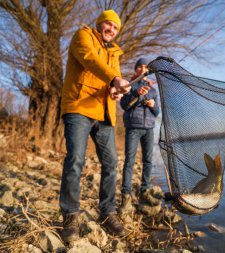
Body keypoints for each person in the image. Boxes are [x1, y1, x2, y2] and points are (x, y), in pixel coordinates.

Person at [59, 9, 131, 243]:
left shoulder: (116, 53)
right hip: (79, 107)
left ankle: (107, 212)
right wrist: (114, 79)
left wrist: (115, 91)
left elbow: (112, 79)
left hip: (105, 114)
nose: (111, 29)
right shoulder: (83, 36)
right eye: (108, 24)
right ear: (100, 24)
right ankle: (70, 216)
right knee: (75, 159)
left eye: (115, 27)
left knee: (111, 163)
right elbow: (90, 60)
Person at [119, 58, 160, 213]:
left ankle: (144, 192)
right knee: (129, 161)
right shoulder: (129, 86)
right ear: (136, 69)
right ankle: (126, 197)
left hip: (149, 128)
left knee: (148, 161)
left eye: (145, 67)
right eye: (140, 67)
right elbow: (124, 106)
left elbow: (157, 112)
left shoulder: (153, 90)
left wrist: (152, 105)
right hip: (133, 128)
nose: (143, 69)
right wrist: (136, 93)